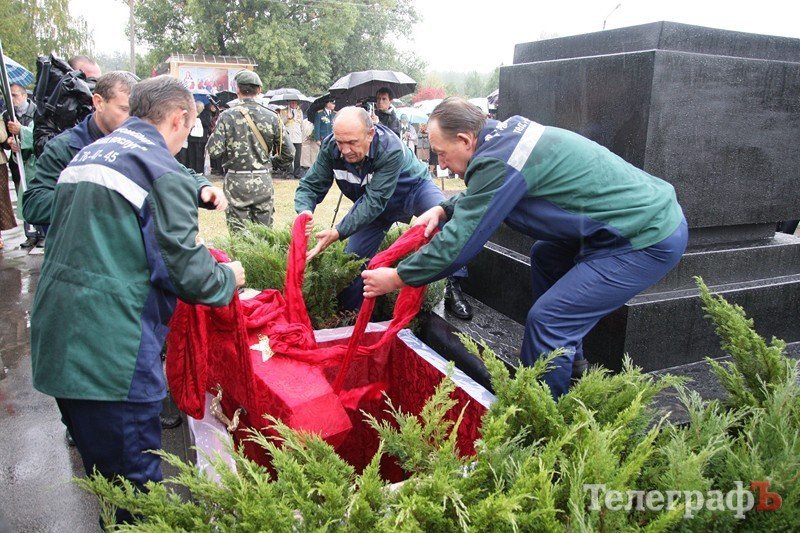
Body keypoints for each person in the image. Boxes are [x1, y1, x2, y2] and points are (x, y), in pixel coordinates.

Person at [362, 97, 688, 398]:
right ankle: (569, 365)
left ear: (464, 140)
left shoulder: (500, 158)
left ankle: (543, 420)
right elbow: (491, 190)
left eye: (442, 152)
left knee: (548, 321)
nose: (442, 164)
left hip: (646, 235)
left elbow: (458, 244)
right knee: (544, 256)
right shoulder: (504, 142)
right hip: (626, 222)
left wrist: (398, 277)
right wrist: (443, 208)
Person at [29, 75, 246, 524]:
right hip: (112, 356)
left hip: (59, 341)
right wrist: (228, 275)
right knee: (136, 494)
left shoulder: (88, 154)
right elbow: (187, 274)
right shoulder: (159, 170)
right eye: (189, 129)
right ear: (179, 118)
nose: (186, 140)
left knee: (104, 479)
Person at [294, 106, 471, 317]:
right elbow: (311, 185)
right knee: (353, 260)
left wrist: (338, 231)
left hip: (412, 189)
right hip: (373, 205)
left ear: (370, 133)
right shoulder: (331, 148)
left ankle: (455, 286)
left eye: (352, 142)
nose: (345, 150)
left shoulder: (390, 147)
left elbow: (375, 200)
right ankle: (351, 314)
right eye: (340, 142)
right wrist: (304, 211)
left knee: (446, 221)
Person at [207, 70, 294, 233]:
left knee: (239, 235)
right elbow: (289, 153)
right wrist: (270, 163)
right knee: (264, 235)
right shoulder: (273, 117)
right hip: (263, 180)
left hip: (236, 181)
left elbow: (213, 151)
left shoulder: (227, 116)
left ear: (237, 90)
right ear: (259, 90)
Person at [3, 83, 43, 248]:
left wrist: (22, 131)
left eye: (15, 95)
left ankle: (42, 232)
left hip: (36, 164)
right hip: (19, 164)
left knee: (38, 197)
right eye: (9, 96)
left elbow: (41, 135)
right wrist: (9, 142)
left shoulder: (37, 111)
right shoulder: (7, 115)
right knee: (24, 199)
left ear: (25, 95)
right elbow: (5, 141)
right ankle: (30, 234)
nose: (12, 100)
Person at [281, 99, 304, 178]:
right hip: (288, 136)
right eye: (292, 102)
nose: (294, 103)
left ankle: (297, 173)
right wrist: (287, 118)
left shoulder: (299, 111)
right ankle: (288, 173)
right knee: (289, 155)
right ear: (289, 102)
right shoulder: (284, 111)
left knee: (297, 156)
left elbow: (301, 124)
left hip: (297, 136)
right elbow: (281, 123)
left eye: (295, 102)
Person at [187, 101, 207, 174]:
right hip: (192, 137)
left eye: (198, 107)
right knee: (191, 154)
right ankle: (192, 169)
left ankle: (199, 170)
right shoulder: (191, 114)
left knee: (199, 155)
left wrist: (198, 118)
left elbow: (206, 123)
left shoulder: (205, 114)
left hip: (201, 139)